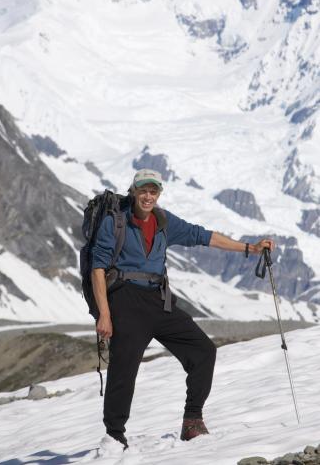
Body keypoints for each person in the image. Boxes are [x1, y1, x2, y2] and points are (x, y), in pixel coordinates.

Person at [91, 169, 275, 448]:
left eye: (153, 191)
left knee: (203, 351)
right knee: (124, 370)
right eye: (143, 190)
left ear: (159, 194)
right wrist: (104, 314)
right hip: (126, 300)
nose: (148, 196)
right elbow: (98, 268)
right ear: (133, 191)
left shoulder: (164, 221)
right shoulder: (114, 222)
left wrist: (249, 247)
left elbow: (204, 236)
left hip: (159, 299)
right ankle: (115, 436)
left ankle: (192, 421)